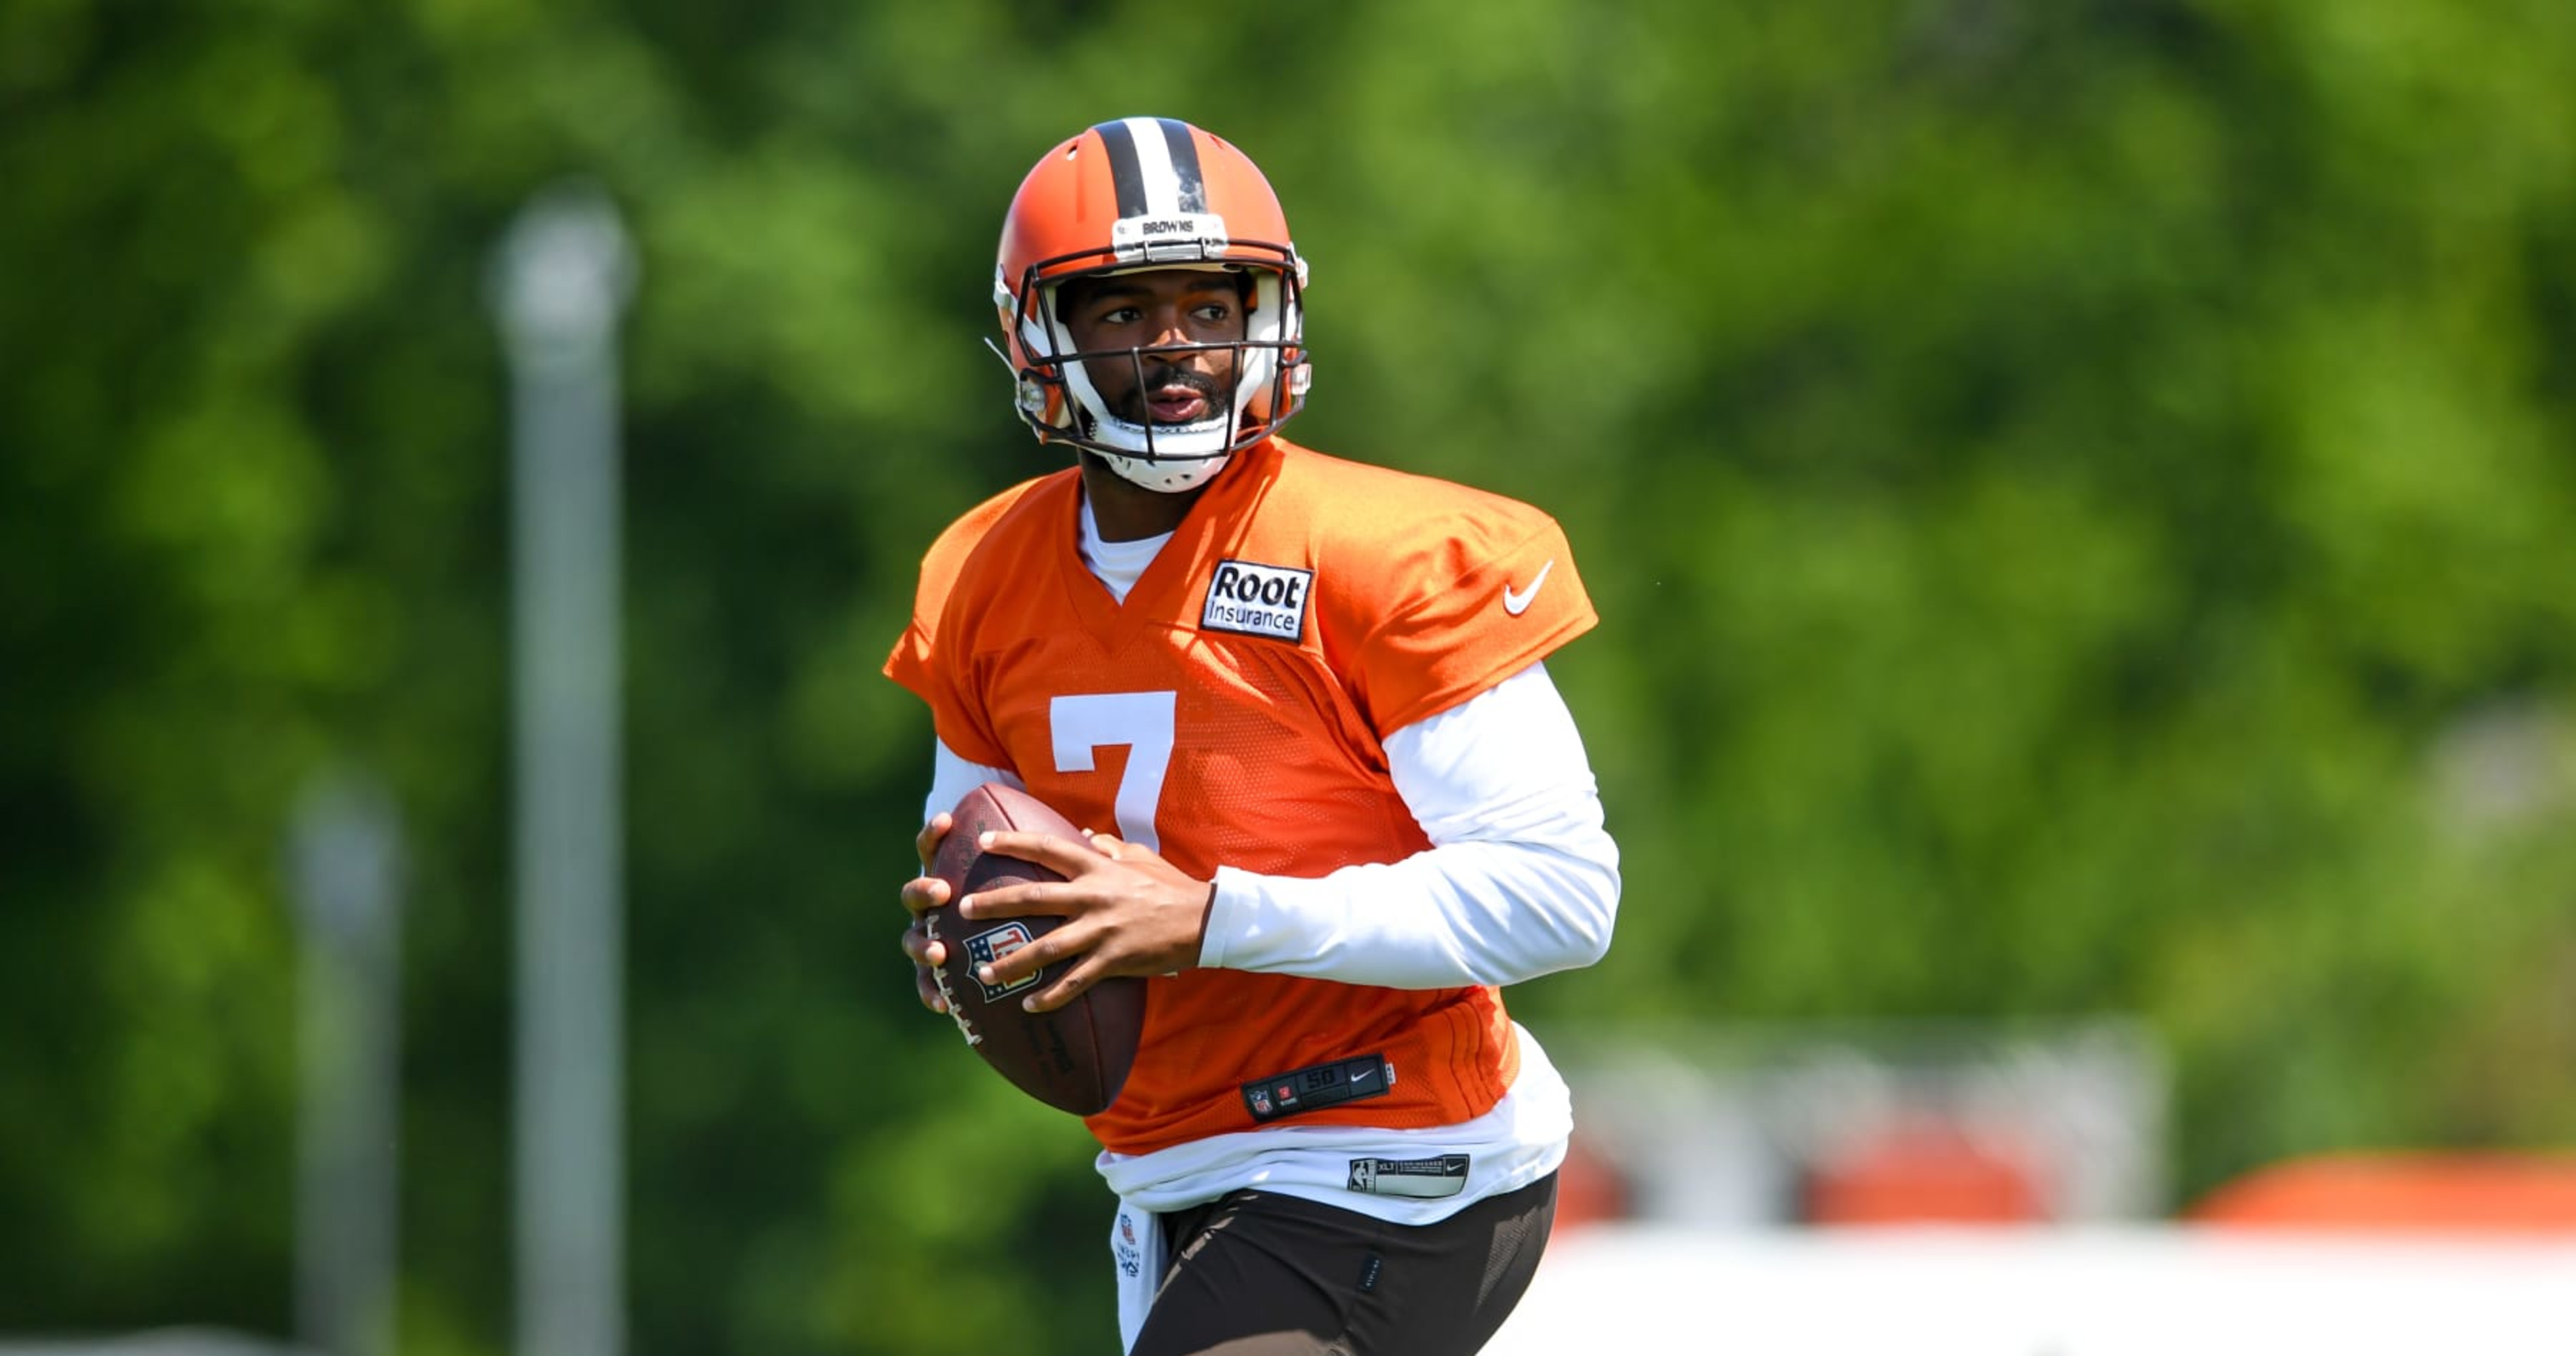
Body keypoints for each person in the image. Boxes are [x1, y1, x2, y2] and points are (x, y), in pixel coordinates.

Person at [887, 116, 1620, 1356]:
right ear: (1039, 336)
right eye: (1123, 312)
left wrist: (1212, 916)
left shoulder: (1385, 555)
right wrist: (962, 938)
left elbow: (1563, 898)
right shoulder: (979, 573)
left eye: (1208, 305)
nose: (1174, 347)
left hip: (1398, 1150)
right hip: (1168, 1168)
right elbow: (984, 860)